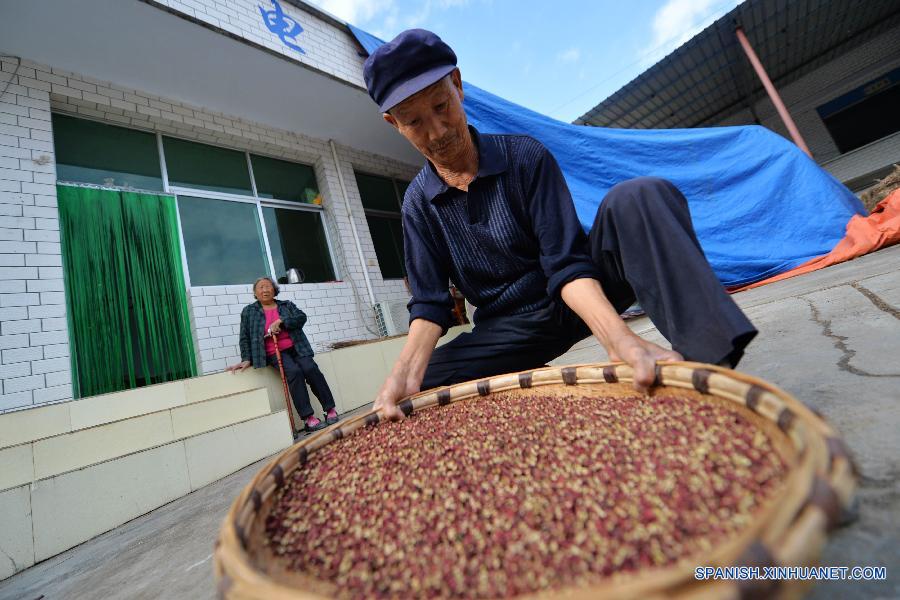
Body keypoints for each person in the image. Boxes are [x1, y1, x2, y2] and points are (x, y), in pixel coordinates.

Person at [364, 29, 758, 420]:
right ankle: (537, 388)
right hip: (509, 331)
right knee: (424, 386)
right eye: (414, 121)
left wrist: (618, 339)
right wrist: (405, 373)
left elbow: (566, 264)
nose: (437, 131)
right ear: (393, 123)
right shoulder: (418, 205)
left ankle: (710, 370)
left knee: (639, 196)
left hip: (580, 294)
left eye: (441, 106)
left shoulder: (524, 157)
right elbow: (430, 303)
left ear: (457, 84)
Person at [227, 277, 338, 433]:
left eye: (268, 286)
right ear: (255, 293)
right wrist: (246, 359)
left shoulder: (286, 305)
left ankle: (330, 409)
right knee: (294, 372)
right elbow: (244, 336)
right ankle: (309, 418)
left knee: (311, 368)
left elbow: (301, 317)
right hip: (274, 351)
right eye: (261, 287)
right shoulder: (249, 311)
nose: (265, 290)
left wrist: (281, 321)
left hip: (297, 347)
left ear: (274, 290)